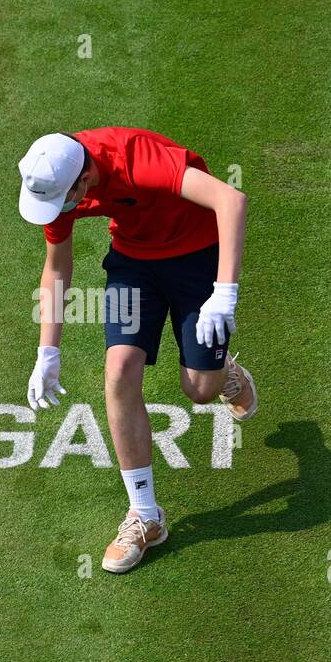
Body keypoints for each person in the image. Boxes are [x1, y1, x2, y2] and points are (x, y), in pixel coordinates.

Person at [18, 127, 257, 573]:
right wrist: (46, 351)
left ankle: (225, 375)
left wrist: (224, 294)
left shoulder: (136, 160)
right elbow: (57, 266)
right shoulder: (57, 180)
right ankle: (145, 516)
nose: (58, 210)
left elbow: (231, 200)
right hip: (134, 266)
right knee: (119, 370)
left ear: (85, 177)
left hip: (199, 255)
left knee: (199, 390)